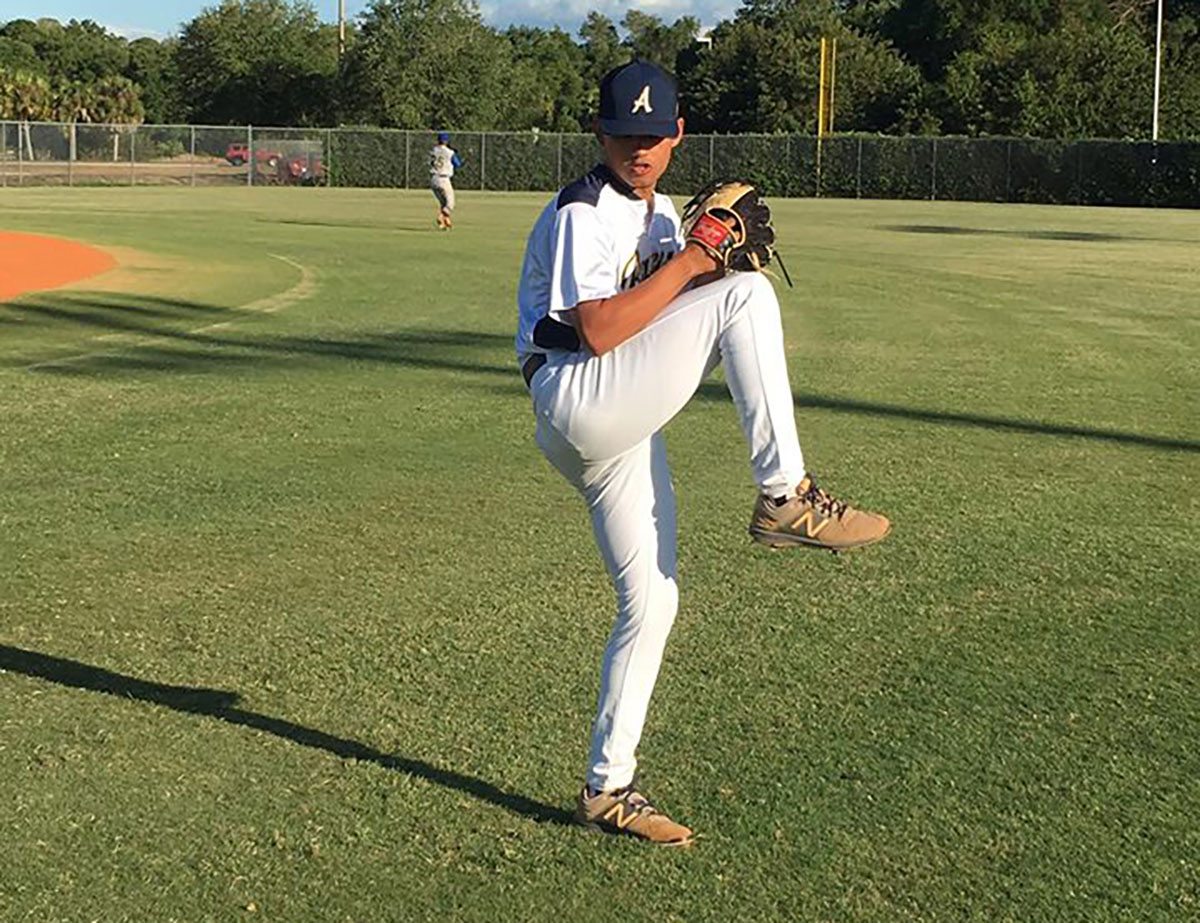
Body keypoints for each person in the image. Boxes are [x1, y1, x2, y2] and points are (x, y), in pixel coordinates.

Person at [513, 61, 891, 847]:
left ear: (677, 134)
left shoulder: (660, 216)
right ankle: (785, 494)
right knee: (748, 299)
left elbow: (666, 315)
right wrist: (699, 264)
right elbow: (602, 330)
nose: (638, 150)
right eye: (623, 133)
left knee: (653, 600)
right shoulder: (586, 208)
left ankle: (607, 788)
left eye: (653, 136)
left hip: (615, 416)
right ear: (599, 132)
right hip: (577, 394)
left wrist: (707, 260)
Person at [429, 131, 461, 230]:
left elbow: (431, 162)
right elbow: (457, 164)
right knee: (450, 204)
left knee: (443, 203)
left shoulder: (434, 150)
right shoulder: (449, 152)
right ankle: (441, 217)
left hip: (434, 179)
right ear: (446, 141)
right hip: (444, 179)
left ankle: (445, 223)